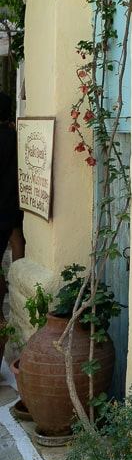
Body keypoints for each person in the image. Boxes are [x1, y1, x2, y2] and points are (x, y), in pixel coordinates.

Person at [0, 92, 24, 314]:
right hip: (13, 201)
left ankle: (0, 312)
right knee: (17, 241)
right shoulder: (15, 135)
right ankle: (17, 288)